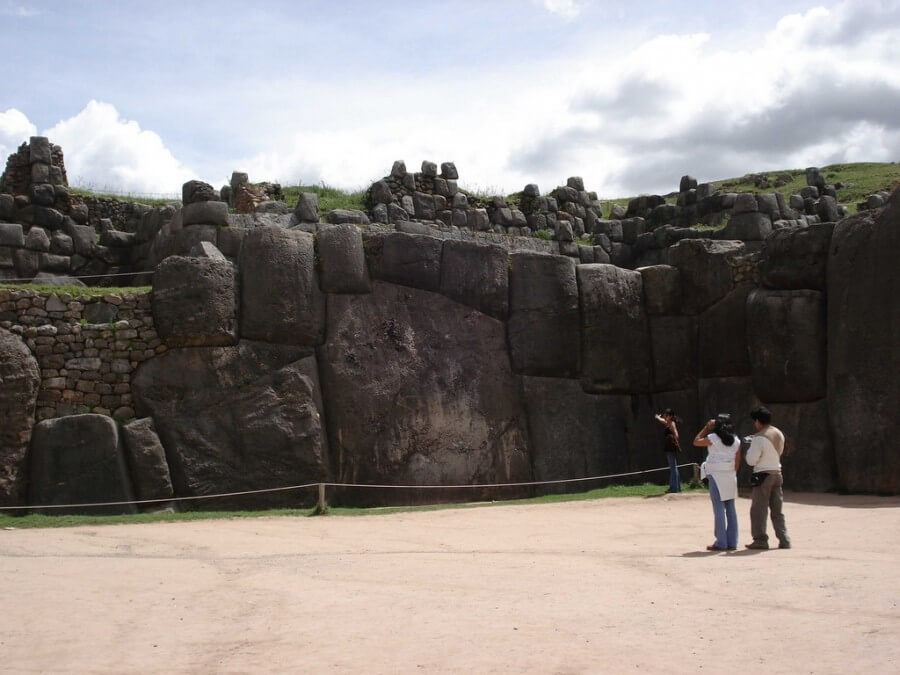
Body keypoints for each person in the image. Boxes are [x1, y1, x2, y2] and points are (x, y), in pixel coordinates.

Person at [744, 406, 791, 550]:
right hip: (777, 473)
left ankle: (760, 540)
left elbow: (751, 460)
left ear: (758, 421)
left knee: (759, 509)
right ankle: (784, 539)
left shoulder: (759, 438)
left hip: (763, 475)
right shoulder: (778, 433)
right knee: (777, 510)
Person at [694, 414, 741, 552]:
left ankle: (721, 542)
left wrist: (706, 427)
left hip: (715, 474)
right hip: (729, 474)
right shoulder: (736, 440)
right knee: (731, 508)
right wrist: (732, 474)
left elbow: (696, 441)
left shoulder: (713, 438)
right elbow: (737, 460)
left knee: (718, 508)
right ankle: (732, 541)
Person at [653, 408, 682, 493]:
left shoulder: (671, 423)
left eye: (666, 415)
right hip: (670, 446)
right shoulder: (668, 422)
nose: (664, 416)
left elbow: (676, 435)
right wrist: (658, 417)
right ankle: (677, 487)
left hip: (671, 447)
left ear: (669, 416)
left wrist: (673, 440)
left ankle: (674, 488)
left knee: (673, 468)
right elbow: (663, 421)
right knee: (674, 467)